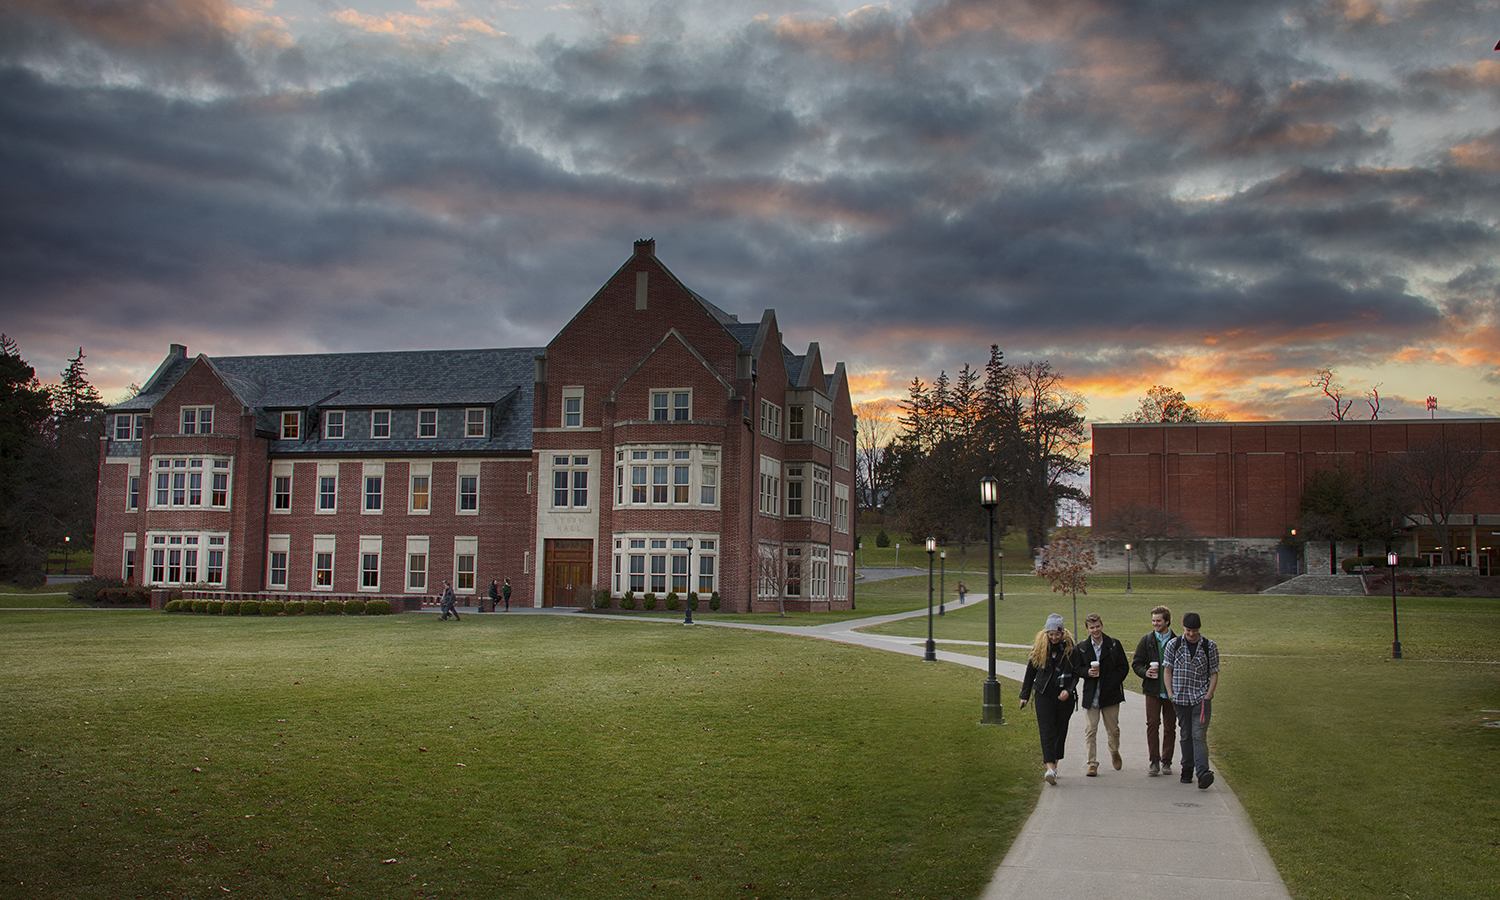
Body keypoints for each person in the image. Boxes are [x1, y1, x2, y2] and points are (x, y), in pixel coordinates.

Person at [1018, 613, 1079, 786]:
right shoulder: (1039, 650)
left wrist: (1068, 690)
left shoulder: (1070, 650)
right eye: (1050, 634)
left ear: (1063, 633)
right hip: (1043, 694)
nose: (1054, 637)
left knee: (1060, 731)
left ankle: (1055, 764)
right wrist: (1025, 696)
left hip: (1063, 697)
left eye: (1057, 634)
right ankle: (1050, 768)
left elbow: (1075, 674)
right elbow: (1030, 673)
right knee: (1046, 731)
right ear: (1046, 633)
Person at [1163, 612, 1219, 789]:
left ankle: (1203, 773)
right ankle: (1187, 768)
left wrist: (1208, 695)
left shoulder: (1209, 647)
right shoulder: (1174, 645)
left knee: (1199, 735)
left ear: (1199, 629)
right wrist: (1171, 694)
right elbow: (1167, 671)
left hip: (1200, 700)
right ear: (1183, 628)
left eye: (1194, 631)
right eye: (1188, 630)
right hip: (1180, 699)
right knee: (1186, 734)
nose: (1191, 634)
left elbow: (1214, 672)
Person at [1075, 613, 1129, 777]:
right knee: (1090, 730)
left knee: (1113, 730)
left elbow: (1123, 668)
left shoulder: (1113, 645)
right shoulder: (1082, 647)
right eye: (1092, 627)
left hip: (1110, 695)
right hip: (1092, 695)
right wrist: (1087, 672)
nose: (1095, 630)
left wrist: (1111, 682)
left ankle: (1114, 751)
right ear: (1087, 629)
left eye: (1097, 626)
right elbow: (1077, 669)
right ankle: (1092, 763)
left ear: (1102, 626)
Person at [1131, 605, 1177, 776]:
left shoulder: (1176, 641)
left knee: (1170, 726)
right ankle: (1154, 760)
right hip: (1152, 690)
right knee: (1152, 725)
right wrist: (1146, 673)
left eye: (1158, 621)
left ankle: (1167, 761)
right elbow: (1136, 663)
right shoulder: (1147, 640)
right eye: (1153, 621)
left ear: (1167, 621)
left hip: (1171, 692)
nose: (1155, 624)